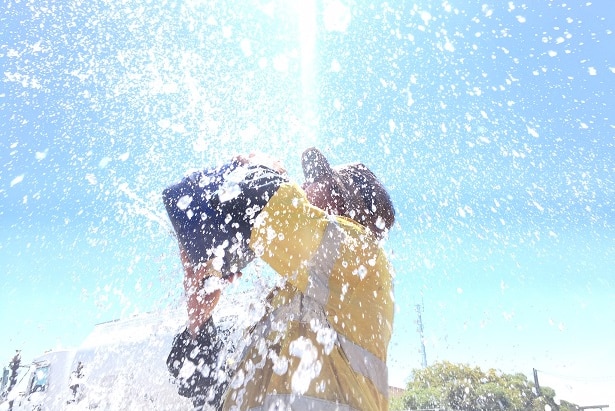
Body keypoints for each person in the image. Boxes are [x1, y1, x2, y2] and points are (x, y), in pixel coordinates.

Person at [163, 148, 395, 410]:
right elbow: (208, 391)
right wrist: (199, 319)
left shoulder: (364, 258)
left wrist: (262, 168)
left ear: (342, 202)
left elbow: (255, 197)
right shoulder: (285, 302)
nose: (305, 182)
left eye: (318, 177)